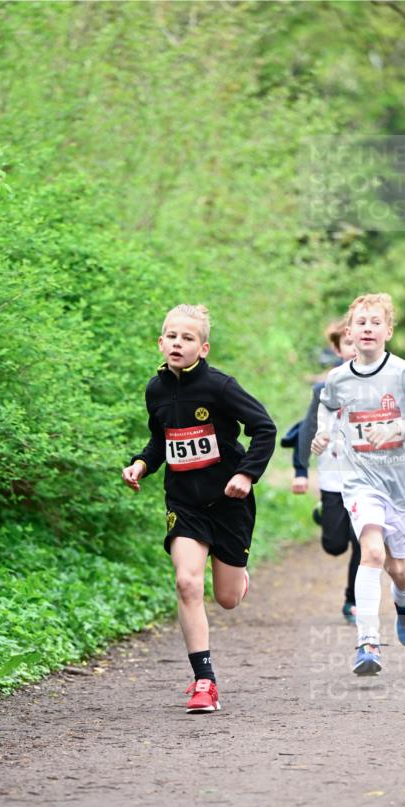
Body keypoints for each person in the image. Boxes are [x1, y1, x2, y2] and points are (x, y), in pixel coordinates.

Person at [122, 304, 276, 712]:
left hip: (229, 501)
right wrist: (141, 463)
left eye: (188, 338)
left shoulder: (221, 388)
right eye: (172, 336)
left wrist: (246, 475)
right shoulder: (155, 391)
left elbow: (264, 428)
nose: (178, 343)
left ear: (202, 348)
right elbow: (162, 440)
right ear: (161, 342)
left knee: (226, 598)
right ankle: (204, 681)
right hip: (185, 502)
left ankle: (238, 579)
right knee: (187, 583)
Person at [311, 293, 405, 676]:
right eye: (361, 322)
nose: (368, 328)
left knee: (397, 566)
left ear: (388, 330)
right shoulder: (338, 377)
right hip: (360, 482)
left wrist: (398, 426)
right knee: (370, 552)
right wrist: (323, 434)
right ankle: (367, 642)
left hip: (400, 486)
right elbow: (326, 404)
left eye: (375, 322)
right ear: (349, 332)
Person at [296, 318, 361, 625]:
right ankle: (327, 512)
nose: (354, 347)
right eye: (347, 342)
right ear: (337, 348)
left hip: (367, 476)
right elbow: (309, 426)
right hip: (333, 473)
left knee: (362, 539)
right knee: (335, 545)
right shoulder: (324, 387)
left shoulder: (380, 383)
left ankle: (352, 600)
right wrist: (300, 469)